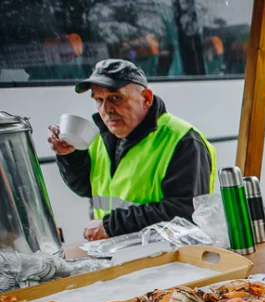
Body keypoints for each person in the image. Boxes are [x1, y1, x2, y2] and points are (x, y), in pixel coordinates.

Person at [48, 59, 216, 241]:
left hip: (168, 259)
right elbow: (85, 188)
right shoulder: (100, 137)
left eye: (115, 98)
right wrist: (70, 156)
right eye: (99, 100)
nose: (106, 109)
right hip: (116, 252)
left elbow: (184, 212)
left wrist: (112, 226)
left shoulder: (182, 140)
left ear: (146, 99)